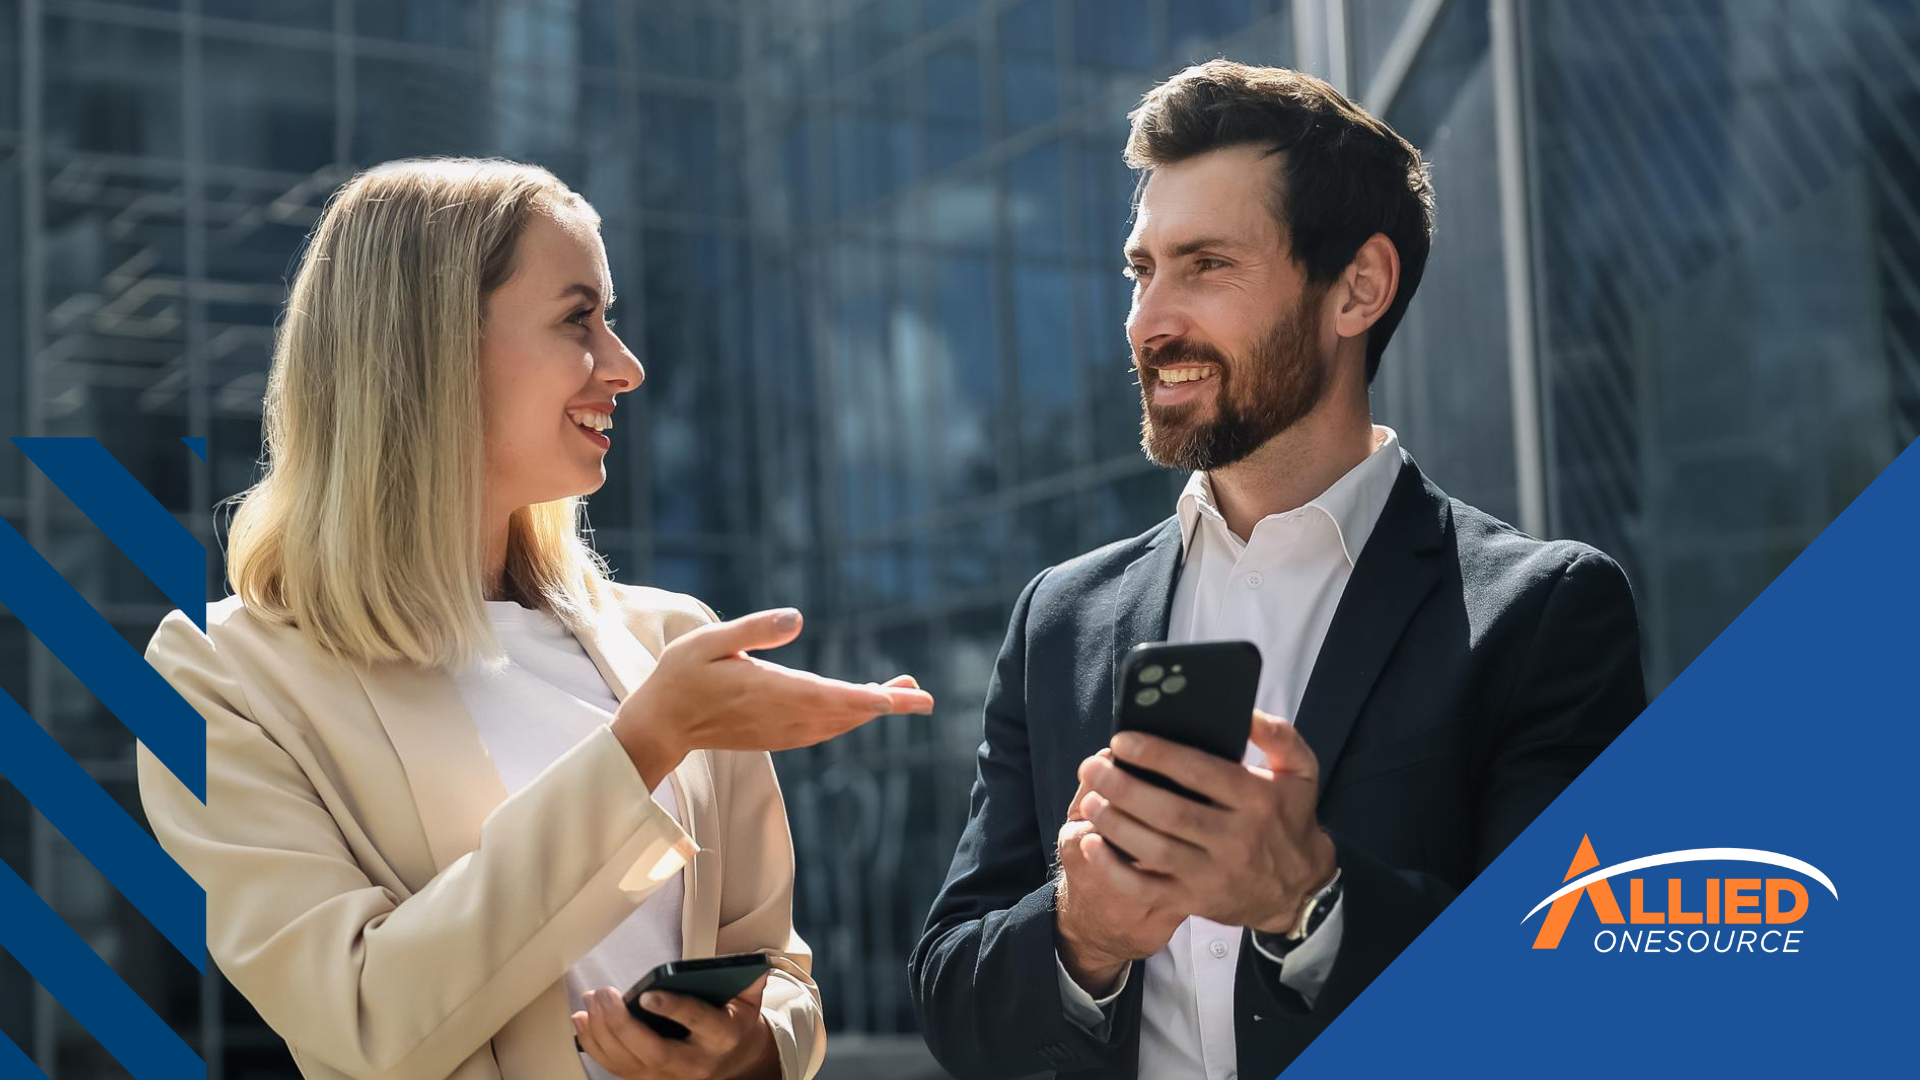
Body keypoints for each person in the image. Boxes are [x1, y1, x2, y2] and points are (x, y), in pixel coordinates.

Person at [909, 61, 1646, 1079]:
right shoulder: (1061, 620)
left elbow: (1570, 993)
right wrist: (1081, 936)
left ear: (1358, 288)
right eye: (1141, 269)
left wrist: (1310, 901)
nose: (1148, 320)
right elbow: (954, 1001)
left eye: (1206, 265)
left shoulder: (1542, 613)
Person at [136, 158, 934, 1080]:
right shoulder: (218, 679)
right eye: (577, 319)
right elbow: (360, 1018)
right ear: (427, 346)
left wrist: (754, 1050)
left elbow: (778, 968)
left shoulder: (669, 641)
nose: (626, 367)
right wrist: (642, 745)